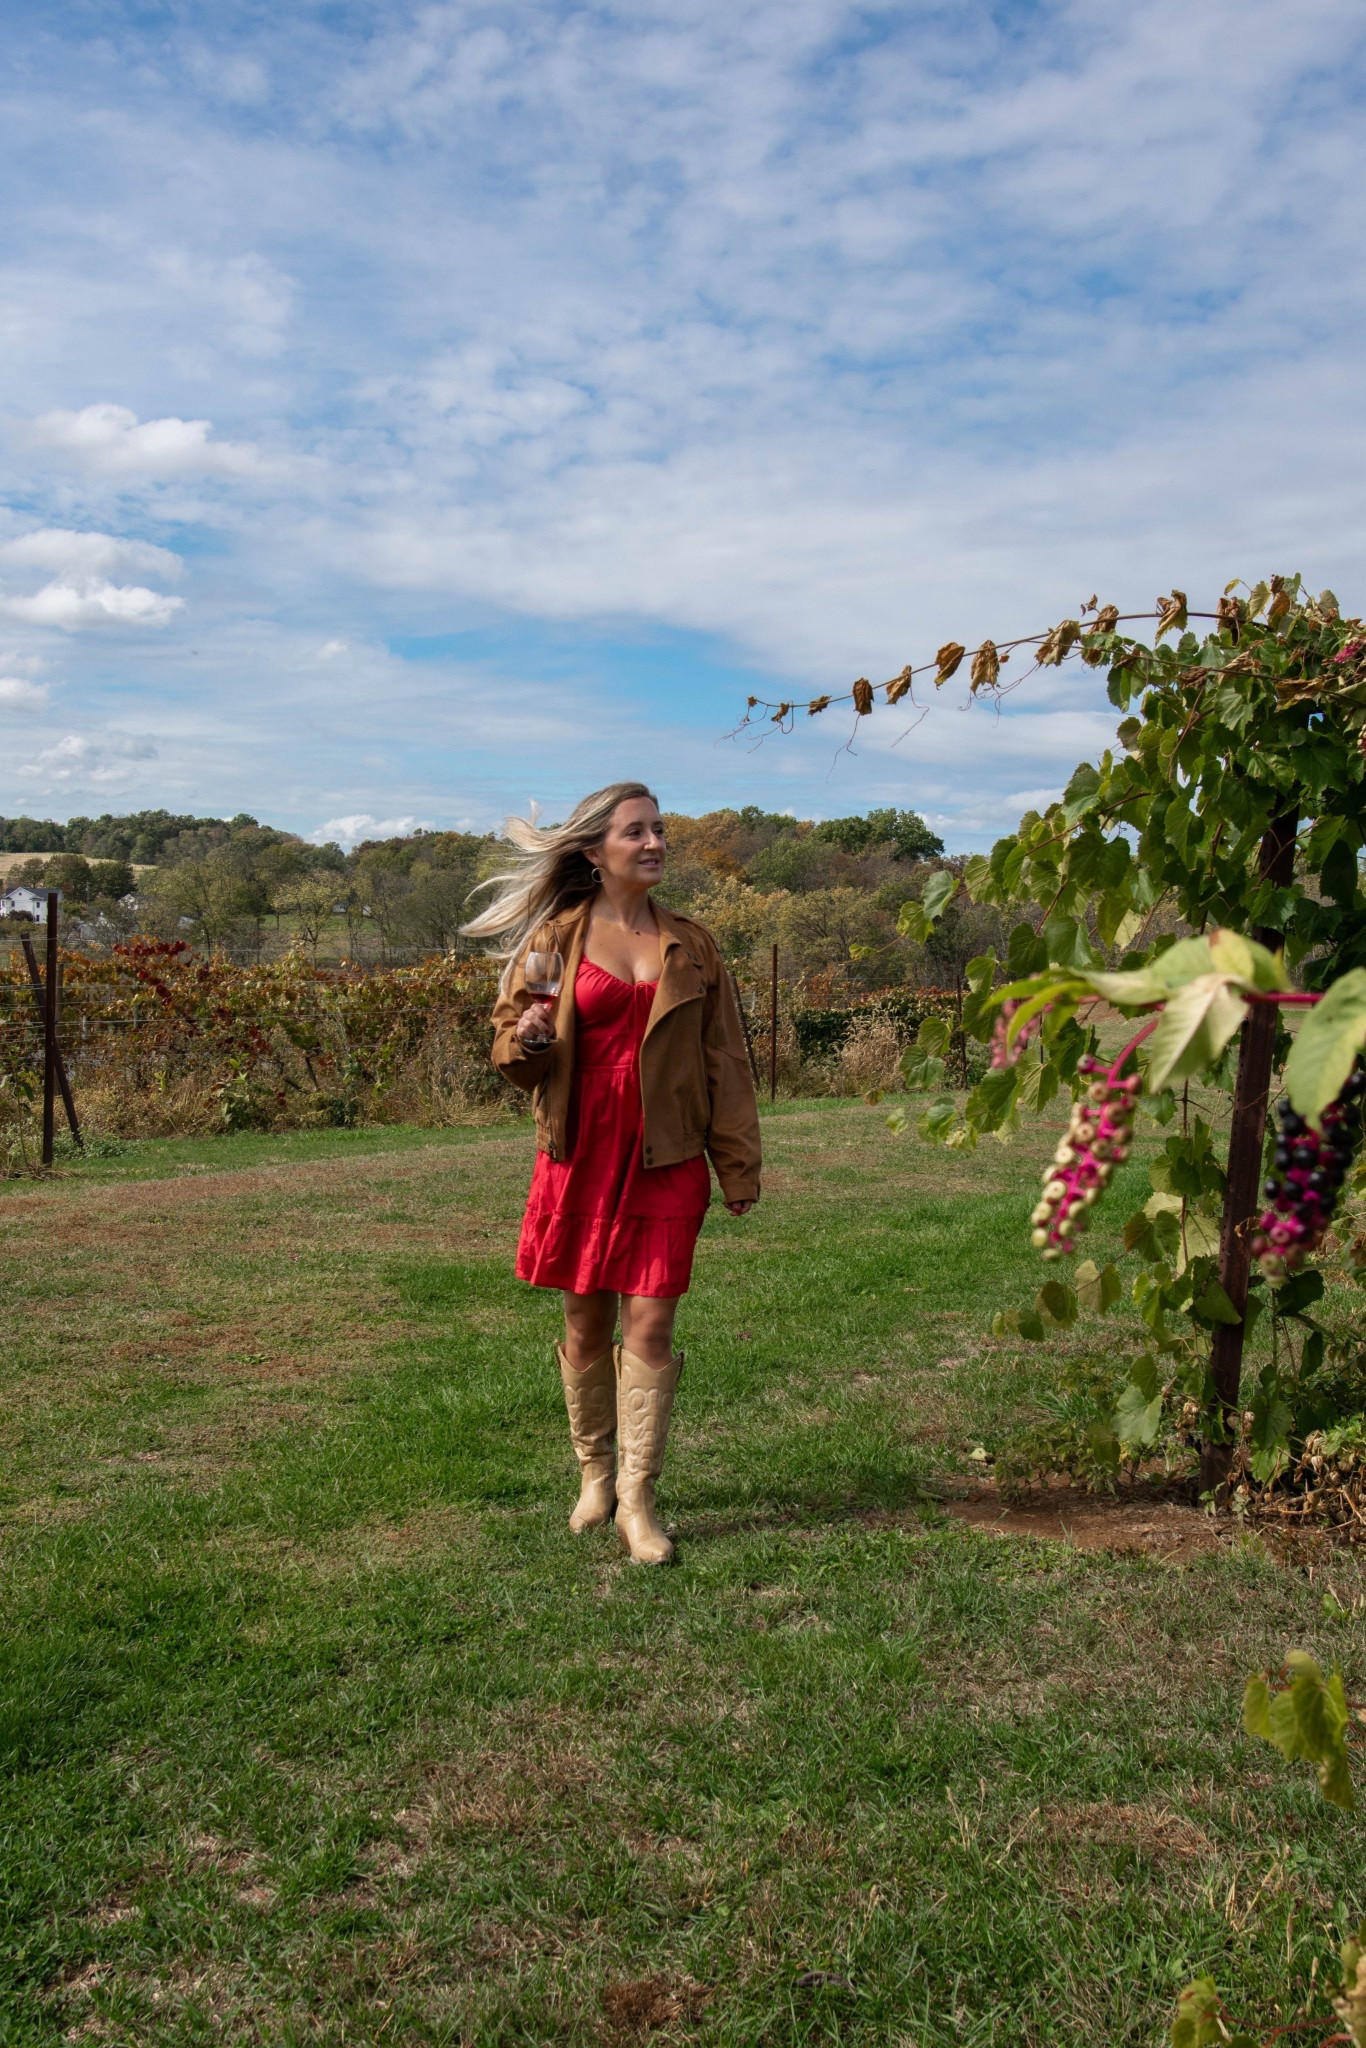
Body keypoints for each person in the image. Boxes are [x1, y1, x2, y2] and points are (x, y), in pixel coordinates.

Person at [465, 782, 762, 1564]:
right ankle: (594, 1473)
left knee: (653, 1327)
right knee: (584, 1322)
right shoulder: (555, 940)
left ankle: (638, 1498)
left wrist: (736, 1162)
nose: (656, 842)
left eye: (660, 829)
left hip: (666, 1156)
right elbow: (510, 1045)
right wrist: (528, 1039)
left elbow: (724, 1059)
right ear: (595, 851)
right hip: (582, 1153)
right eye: (638, 832)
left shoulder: (692, 945)